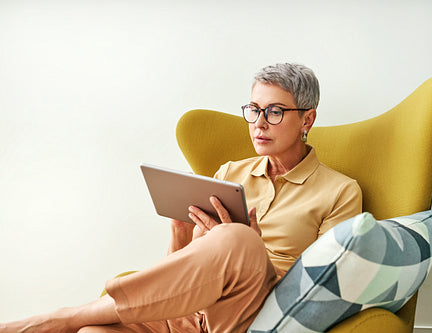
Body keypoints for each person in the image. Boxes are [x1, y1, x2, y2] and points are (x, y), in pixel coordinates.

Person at [0, 63, 362, 333]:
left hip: (256, 313)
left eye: (275, 111)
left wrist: (251, 249)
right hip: (193, 312)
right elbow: (186, 269)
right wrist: (180, 233)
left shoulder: (340, 191)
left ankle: (61, 317)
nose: (259, 123)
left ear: (307, 119)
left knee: (238, 238)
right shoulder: (230, 173)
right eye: (253, 109)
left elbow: (326, 287)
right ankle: (80, 321)